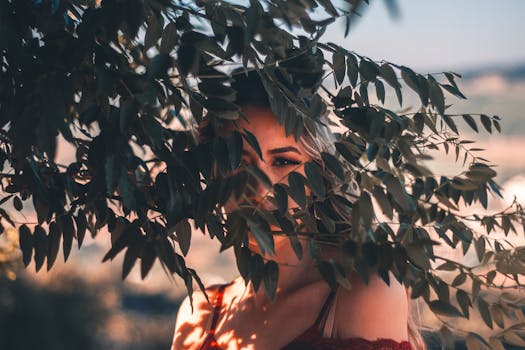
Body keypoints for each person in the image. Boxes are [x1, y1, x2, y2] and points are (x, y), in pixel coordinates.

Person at [171, 70, 426, 350]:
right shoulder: (200, 316)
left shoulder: (362, 294)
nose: (260, 189)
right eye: (239, 162)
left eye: (283, 162)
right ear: (215, 173)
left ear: (320, 177)